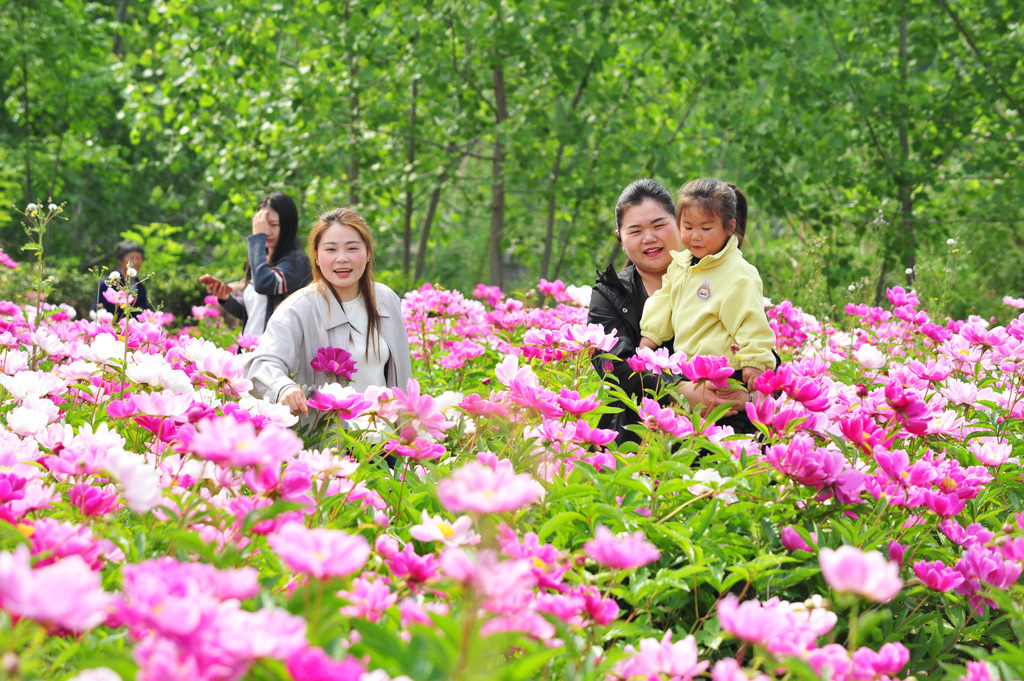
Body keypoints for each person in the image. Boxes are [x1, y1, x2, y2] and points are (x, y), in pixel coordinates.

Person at [588, 180, 750, 445]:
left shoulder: (726, 276)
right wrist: (677, 390)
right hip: (639, 441)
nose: (649, 238)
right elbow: (613, 365)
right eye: (635, 231)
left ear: (680, 224)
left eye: (659, 225)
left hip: (725, 435)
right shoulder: (610, 294)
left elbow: (760, 345)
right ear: (620, 239)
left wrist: (749, 396)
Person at [245, 207, 413, 419]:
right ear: (316, 255)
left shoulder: (386, 299)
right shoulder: (296, 310)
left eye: (352, 248)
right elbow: (262, 364)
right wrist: (283, 388)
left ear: (368, 252)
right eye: (331, 249)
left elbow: (402, 377)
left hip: (381, 435)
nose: (342, 258)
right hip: (330, 437)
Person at [638, 178, 776, 433]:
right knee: (689, 441)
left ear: (729, 227)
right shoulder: (681, 264)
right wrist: (649, 339)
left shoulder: (738, 274)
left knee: (725, 441)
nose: (695, 236)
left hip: (727, 377)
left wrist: (755, 362)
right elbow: (663, 302)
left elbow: (752, 322)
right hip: (689, 375)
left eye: (706, 227)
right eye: (687, 227)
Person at [200, 192, 312, 335]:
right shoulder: (261, 260)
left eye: (274, 225)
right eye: (263, 225)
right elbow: (251, 313)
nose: (267, 231)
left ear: (288, 226)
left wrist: (258, 238)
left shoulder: (296, 261)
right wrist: (225, 297)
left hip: (276, 347)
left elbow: (263, 284)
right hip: (250, 346)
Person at [95, 240, 150, 319]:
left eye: (139, 258)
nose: (136, 262)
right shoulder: (107, 285)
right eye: (131, 258)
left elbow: (142, 315)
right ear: (120, 260)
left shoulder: (141, 288)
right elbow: (97, 314)